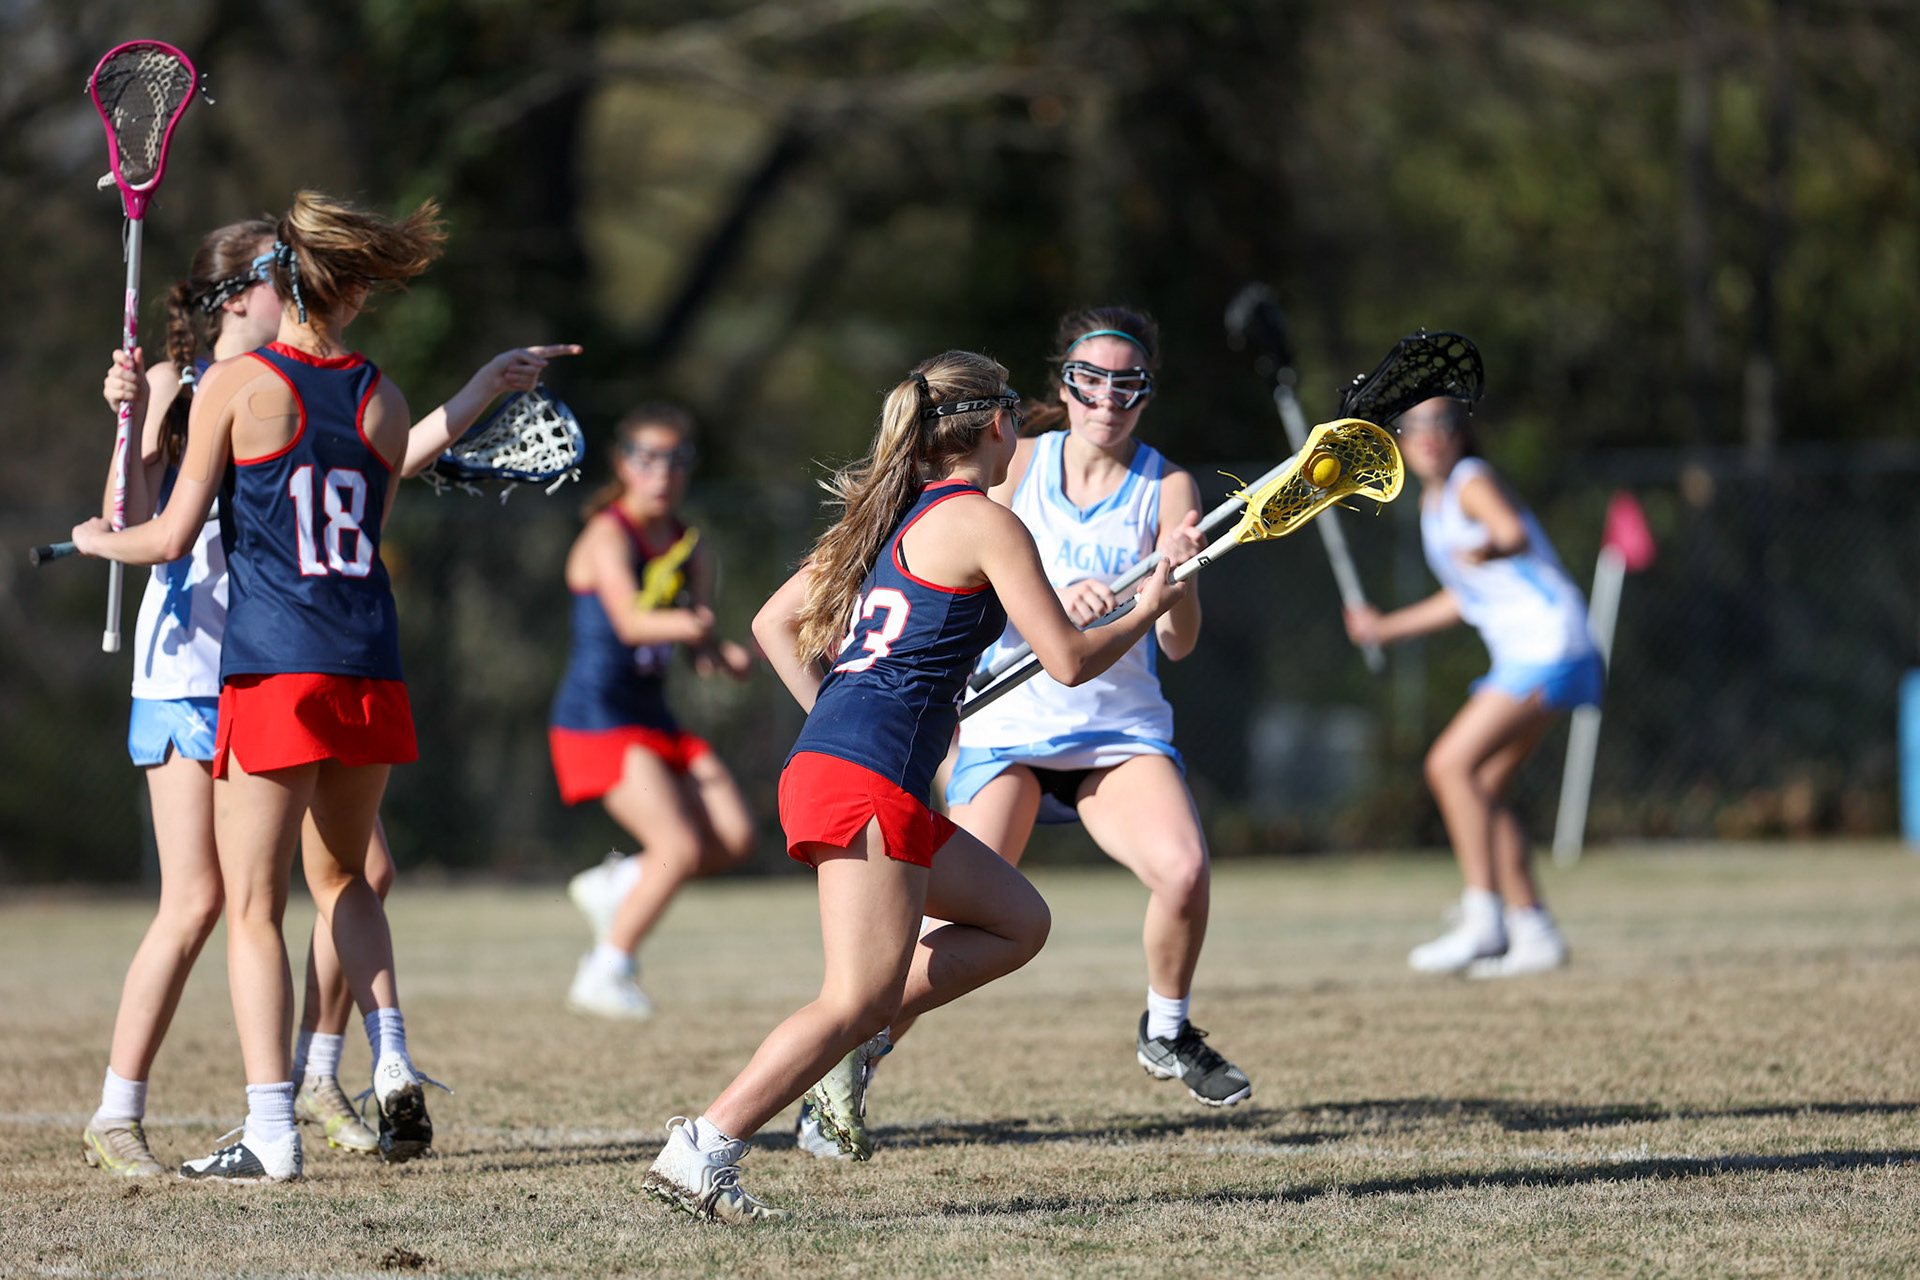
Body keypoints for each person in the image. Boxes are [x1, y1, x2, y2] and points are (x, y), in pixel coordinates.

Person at [80, 221, 580, 1179]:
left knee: (267, 900)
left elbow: (159, 533)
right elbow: (151, 502)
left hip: (269, 663)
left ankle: (286, 1108)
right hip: (292, 662)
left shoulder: (253, 386)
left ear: (285, 289)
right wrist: (135, 414)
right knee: (236, 894)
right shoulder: (356, 392)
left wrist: (101, 540)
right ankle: (132, 1107)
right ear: (249, 294)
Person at [641, 350, 1188, 1223]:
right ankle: (703, 1148)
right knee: (852, 998)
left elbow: (772, 623)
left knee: (1018, 920)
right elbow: (1069, 661)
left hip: (841, 764)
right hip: (868, 777)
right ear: (997, 424)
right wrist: (1151, 605)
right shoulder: (983, 522)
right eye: (1019, 411)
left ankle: (852, 1050)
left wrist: (842, 712)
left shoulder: (886, 516)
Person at [1343, 396, 1600, 977]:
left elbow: (1509, 533)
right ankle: (1533, 930)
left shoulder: (1469, 480)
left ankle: (1484, 920)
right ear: (1400, 440)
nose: (1431, 436)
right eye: (1417, 427)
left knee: (1448, 766)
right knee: (1482, 787)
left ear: (1460, 433)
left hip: (1547, 645)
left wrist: (1488, 545)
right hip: (1537, 649)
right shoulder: (1435, 505)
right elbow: (1466, 597)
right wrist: (1387, 627)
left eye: (1443, 424)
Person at [550, 404, 756, 1020]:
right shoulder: (607, 534)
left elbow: (695, 642)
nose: (660, 473)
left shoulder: (691, 545)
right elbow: (631, 622)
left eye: (674, 460)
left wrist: (720, 654)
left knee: (733, 839)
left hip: (653, 717)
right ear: (623, 465)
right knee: (680, 846)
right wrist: (695, 627)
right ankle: (605, 969)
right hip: (597, 719)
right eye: (646, 459)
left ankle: (617, 883)